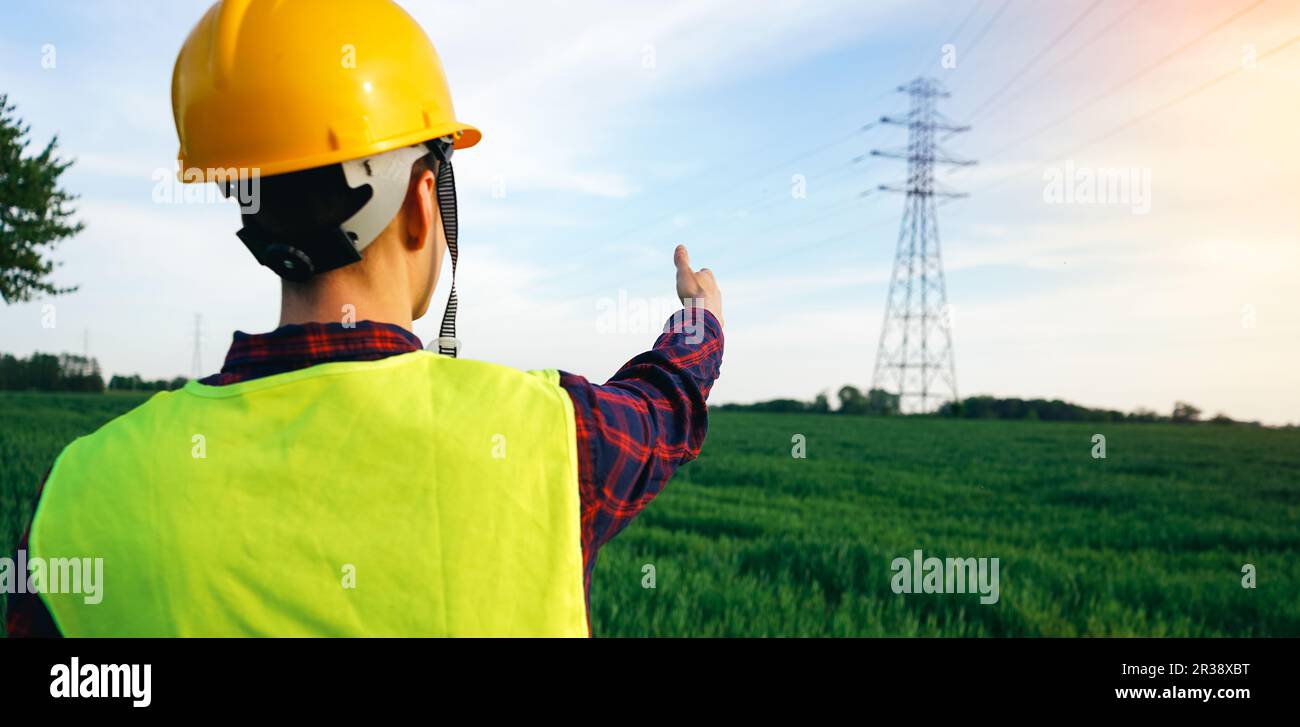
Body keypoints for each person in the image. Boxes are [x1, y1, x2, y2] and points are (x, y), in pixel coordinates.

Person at [6, 0, 723, 637]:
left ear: (253, 220)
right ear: (421, 204)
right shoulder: (554, 439)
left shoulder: (82, 490)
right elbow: (666, 404)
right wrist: (698, 320)